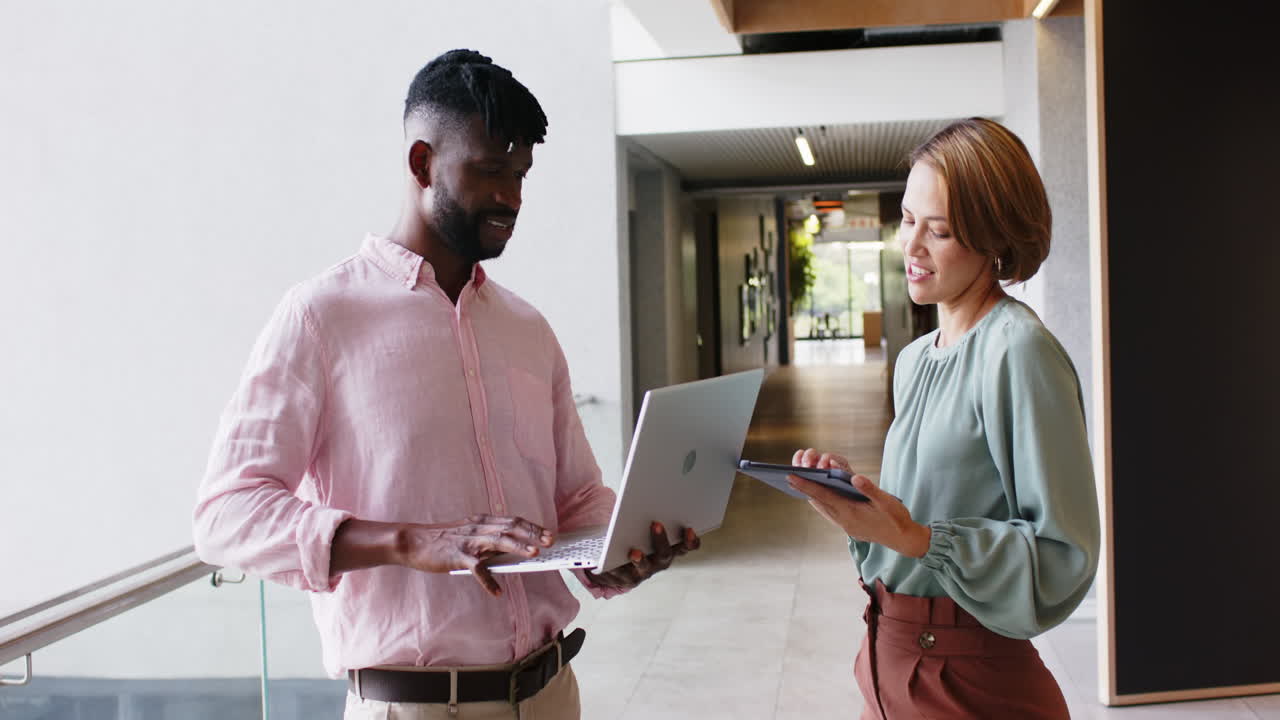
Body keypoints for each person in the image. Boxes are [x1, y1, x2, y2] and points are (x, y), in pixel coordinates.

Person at [192, 49, 698, 720]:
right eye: (490, 171)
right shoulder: (320, 318)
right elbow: (226, 516)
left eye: (520, 174)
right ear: (422, 163)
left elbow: (577, 499)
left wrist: (615, 553)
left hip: (551, 695)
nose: (512, 198)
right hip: (418, 708)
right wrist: (410, 541)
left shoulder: (527, 328)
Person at [788, 117, 1099, 719]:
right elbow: (920, 518)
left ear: (993, 238)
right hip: (887, 662)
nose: (911, 247)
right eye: (908, 220)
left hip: (969, 684)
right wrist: (862, 509)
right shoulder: (913, 361)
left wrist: (920, 539)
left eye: (941, 230)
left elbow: (1063, 553)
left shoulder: (1019, 352)